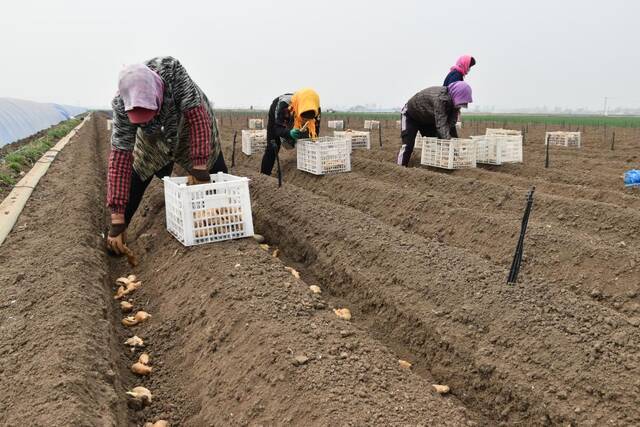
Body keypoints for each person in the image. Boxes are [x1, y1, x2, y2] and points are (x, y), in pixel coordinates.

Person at [106, 56, 227, 255]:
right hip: (152, 138)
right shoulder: (121, 104)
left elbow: (197, 118)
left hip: (189, 125)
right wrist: (117, 219)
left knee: (216, 173)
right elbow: (119, 158)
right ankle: (119, 235)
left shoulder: (172, 71)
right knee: (136, 177)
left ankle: (224, 226)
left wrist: (199, 165)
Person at [397, 81, 473, 167]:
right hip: (411, 115)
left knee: (433, 145)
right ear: (456, 95)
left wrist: (455, 147)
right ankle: (400, 168)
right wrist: (450, 143)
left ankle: (432, 170)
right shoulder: (440, 99)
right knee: (408, 145)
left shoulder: (454, 104)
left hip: (427, 119)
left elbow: (451, 125)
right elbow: (441, 125)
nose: (459, 106)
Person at [261, 88, 321, 176]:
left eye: (309, 117)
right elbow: (277, 128)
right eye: (304, 116)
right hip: (278, 111)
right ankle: (264, 175)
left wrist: (312, 141)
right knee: (273, 145)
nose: (306, 119)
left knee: (307, 140)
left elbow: (315, 130)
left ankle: (308, 167)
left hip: (296, 113)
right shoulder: (285, 106)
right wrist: (289, 133)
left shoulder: (315, 109)